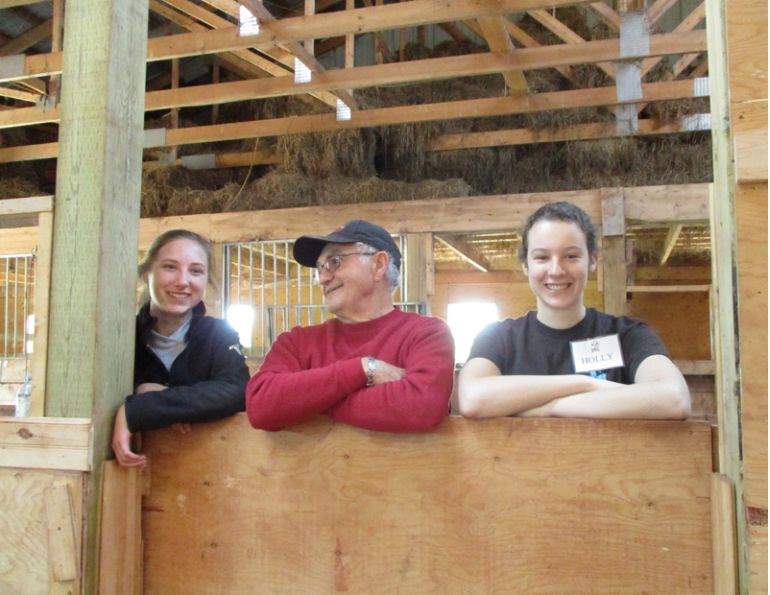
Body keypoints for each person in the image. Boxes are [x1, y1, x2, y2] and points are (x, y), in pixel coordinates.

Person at [458, 201, 691, 420]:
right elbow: (472, 399)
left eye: (571, 256)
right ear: (526, 265)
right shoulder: (499, 338)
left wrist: (551, 408)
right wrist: (585, 384)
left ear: (592, 260)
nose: (556, 270)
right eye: (542, 257)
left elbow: (674, 399)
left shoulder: (628, 335)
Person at [246, 219, 455, 433]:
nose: (322, 278)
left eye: (335, 261)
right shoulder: (295, 342)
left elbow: (421, 406)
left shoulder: (427, 334)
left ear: (378, 265)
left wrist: (309, 403)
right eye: (320, 268)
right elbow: (260, 406)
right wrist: (365, 368)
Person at [112, 229, 249, 467]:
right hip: (132, 473)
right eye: (170, 267)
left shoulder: (219, 333)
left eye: (195, 271)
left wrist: (142, 408)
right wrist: (141, 389)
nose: (183, 281)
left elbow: (237, 391)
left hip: (206, 469)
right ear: (145, 275)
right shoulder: (121, 335)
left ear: (205, 280)